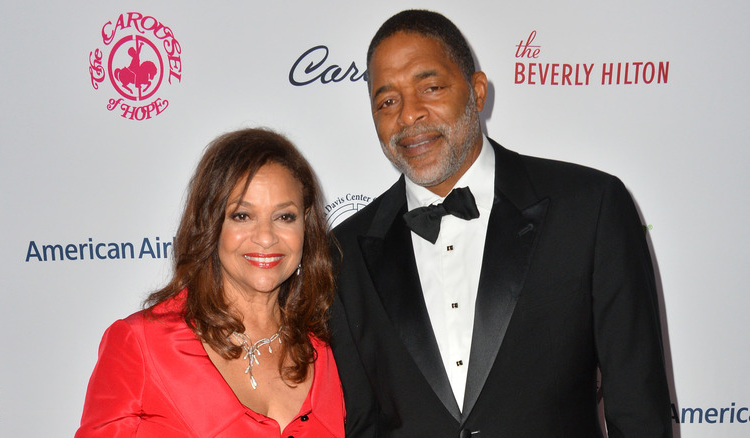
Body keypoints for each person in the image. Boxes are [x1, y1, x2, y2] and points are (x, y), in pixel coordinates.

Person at [330, 9, 672, 437]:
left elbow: (640, 411)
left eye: (430, 87)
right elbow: (360, 424)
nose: (409, 115)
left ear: (476, 92)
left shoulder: (589, 208)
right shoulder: (342, 255)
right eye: (387, 101)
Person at [76, 128, 345, 437]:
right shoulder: (141, 343)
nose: (266, 237)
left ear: (306, 225)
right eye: (242, 216)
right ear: (210, 224)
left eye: (284, 217)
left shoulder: (323, 349)